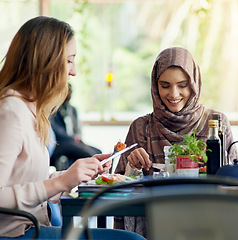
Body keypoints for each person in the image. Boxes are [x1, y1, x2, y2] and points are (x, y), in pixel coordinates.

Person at [0, 16, 145, 240]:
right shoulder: (11, 112)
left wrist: (72, 176)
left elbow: (22, 181)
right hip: (17, 234)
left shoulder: (30, 109)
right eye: (69, 60)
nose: (73, 71)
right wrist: (60, 182)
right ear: (45, 61)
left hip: (34, 227)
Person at [114, 46, 237, 237]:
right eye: (165, 85)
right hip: (152, 229)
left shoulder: (216, 123)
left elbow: (236, 182)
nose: (173, 94)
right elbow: (119, 189)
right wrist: (133, 167)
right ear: (155, 86)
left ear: (194, 84)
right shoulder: (141, 127)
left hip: (208, 226)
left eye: (182, 85)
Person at [50, 83, 101, 169]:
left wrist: (77, 137)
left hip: (75, 141)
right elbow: (55, 129)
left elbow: (78, 128)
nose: (69, 94)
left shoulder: (72, 109)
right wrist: (72, 137)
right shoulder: (53, 109)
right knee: (88, 154)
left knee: (98, 152)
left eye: (71, 92)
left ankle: (105, 177)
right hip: (61, 143)